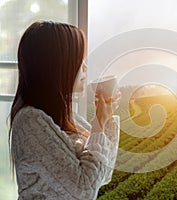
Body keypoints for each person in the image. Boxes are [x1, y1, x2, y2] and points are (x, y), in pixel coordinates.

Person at [9, 21, 120, 200]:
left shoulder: (69, 119)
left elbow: (103, 176)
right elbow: (83, 191)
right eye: (79, 59)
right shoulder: (30, 121)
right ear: (57, 64)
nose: (85, 67)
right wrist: (99, 123)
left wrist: (106, 120)